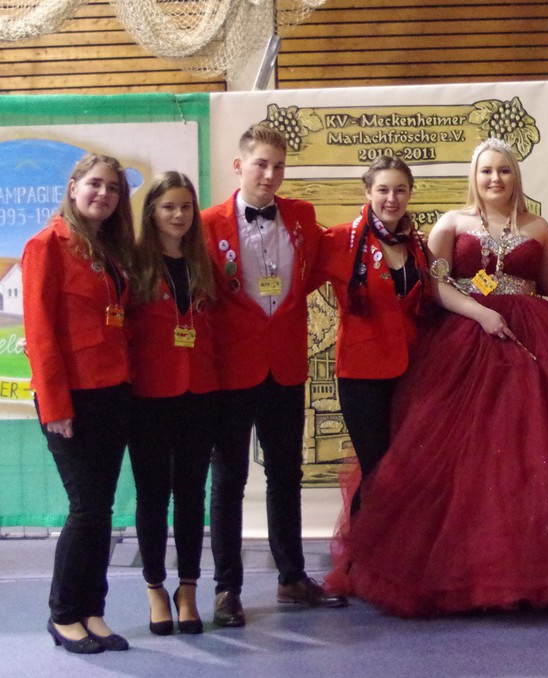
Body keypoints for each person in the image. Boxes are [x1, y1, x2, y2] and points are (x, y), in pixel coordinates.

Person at [343, 138, 548, 617]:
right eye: (486, 171)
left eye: (504, 170)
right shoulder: (451, 224)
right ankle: (467, 572)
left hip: (532, 340)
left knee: (536, 454)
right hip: (465, 339)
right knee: (464, 456)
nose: (495, 179)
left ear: (516, 176)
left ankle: (539, 571)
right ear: (473, 177)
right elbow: (433, 285)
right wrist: (480, 313)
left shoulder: (539, 227)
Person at [202, 123, 343, 628]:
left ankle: (292, 577)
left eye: (279, 166)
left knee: (286, 474)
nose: (270, 174)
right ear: (239, 166)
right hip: (230, 370)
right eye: (261, 164)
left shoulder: (302, 216)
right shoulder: (207, 224)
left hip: (285, 365)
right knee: (229, 478)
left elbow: (325, 264)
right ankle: (227, 588)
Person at [22, 153, 135, 653]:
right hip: (72, 399)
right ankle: (63, 614)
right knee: (86, 508)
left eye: (113, 188)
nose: (104, 194)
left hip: (114, 391)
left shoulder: (110, 247)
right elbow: (40, 333)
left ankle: (93, 610)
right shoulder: (45, 246)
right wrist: (55, 405)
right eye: (95, 184)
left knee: (102, 509)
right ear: (72, 188)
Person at [314, 157, 430, 593]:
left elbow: (433, 296)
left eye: (400, 190)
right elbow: (294, 283)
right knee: (376, 468)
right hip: (362, 372)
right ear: (367, 193)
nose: (391, 198)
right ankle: (358, 562)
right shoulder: (341, 240)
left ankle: (399, 559)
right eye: (382, 190)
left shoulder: (416, 244)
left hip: (412, 371)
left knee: (406, 468)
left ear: (410, 194)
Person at [127, 172, 217, 636]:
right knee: (152, 495)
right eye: (168, 207)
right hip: (148, 398)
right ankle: (154, 588)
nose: (179, 215)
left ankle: (188, 588)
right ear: (151, 212)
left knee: (191, 495)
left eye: (185, 207)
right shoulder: (133, 264)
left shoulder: (204, 263)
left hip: (198, 395)